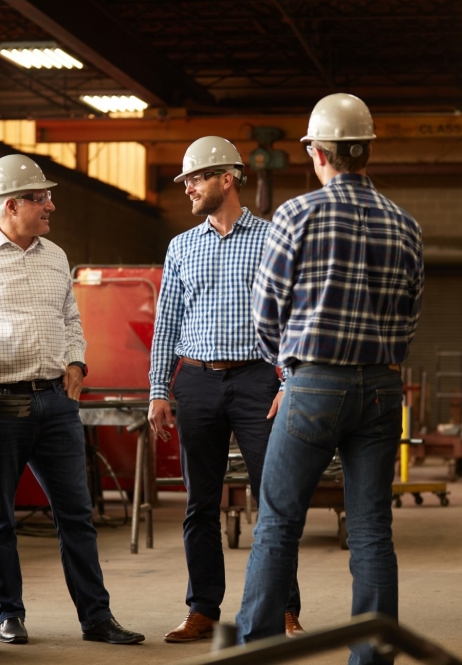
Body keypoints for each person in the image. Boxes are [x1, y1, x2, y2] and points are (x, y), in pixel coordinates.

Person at [235, 94, 425, 665]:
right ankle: (371, 657)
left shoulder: (297, 214)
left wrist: (287, 369)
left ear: (318, 153)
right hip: (382, 389)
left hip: (314, 383)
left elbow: (264, 311)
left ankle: (258, 648)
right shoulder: (406, 225)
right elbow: (411, 318)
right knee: (371, 530)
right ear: (365, 151)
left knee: (278, 522)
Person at [0, 154, 144, 647]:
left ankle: (97, 618)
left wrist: (76, 362)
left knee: (76, 515)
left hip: (56, 403)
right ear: (9, 205)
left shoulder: (55, 256)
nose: (51, 205)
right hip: (1, 407)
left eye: (47, 196)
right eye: (40, 198)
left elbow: (70, 319)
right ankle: (9, 612)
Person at [148, 136, 304, 643]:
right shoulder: (181, 246)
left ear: (227, 179)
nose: (189, 188)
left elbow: (292, 315)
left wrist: (290, 377)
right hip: (196, 381)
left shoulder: (271, 237)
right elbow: (166, 323)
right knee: (200, 503)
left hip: (258, 379)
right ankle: (203, 610)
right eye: (187, 181)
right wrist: (158, 390)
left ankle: (281, 607)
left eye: (196, 178)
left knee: (272, 498)